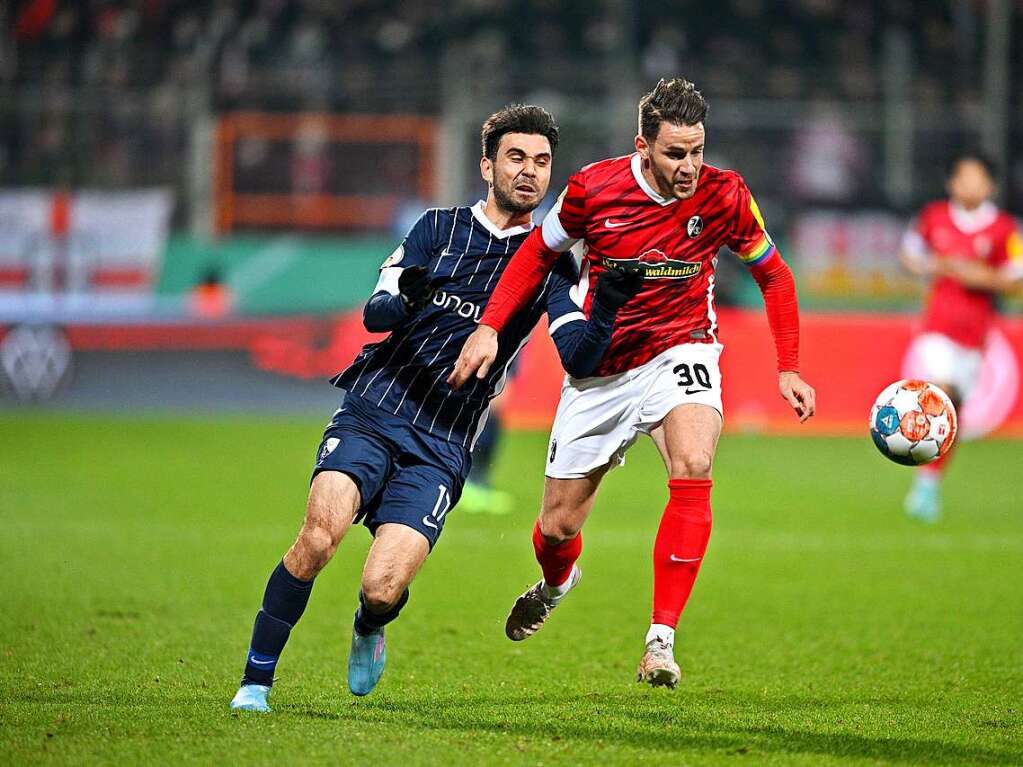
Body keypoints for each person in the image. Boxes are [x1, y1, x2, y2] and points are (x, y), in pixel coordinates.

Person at [229, 105, 645, 711]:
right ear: (486, 164)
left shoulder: (551, 262)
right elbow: (376, 311)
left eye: (542, 162)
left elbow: (578, 356)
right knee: (319, 539)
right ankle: (255, 683)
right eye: (516, 157)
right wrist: (405, 301)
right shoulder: (436, 228)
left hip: (444, 441)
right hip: (375, 408)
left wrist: (607, 305)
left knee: (382, 586)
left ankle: (369, 626)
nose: (529, 172)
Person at [448, 78, 817, 688]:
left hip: (683, 348)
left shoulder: (726, 196)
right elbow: (538, 254)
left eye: (698, 150)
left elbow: (775, 277)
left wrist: (790, 366)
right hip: (602, 373)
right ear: (642, 146)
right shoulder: (595, 189)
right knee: (557, 528)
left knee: (694, 463)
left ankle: (660, 641)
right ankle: (558, 581)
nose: (690, 166)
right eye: (675, 153)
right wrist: (489, 327)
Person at [900, 152, 1023, 522]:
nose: (970, 184)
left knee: (953, 414)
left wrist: (973, 275)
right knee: (944, 392)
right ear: (952, 183)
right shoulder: (933, 217)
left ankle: (928, 484)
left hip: (975, 337)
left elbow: (1014, 280)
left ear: (990, 185)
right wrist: (927, 266)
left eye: (978, 178)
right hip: (936, 329)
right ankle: (921, 471)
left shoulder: (1004, 229)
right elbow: (909, 254)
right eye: (964, 177)